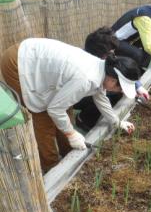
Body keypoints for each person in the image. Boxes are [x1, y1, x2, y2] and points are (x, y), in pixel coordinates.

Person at [0, 38, 140, 172]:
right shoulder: (85, 79)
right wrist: (71, 133)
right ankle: (51, 166)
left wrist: (117, 122)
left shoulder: (102, 70)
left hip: (38, 58)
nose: (118, 91)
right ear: (112, 79)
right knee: (42, 117)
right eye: (119, 88)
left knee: (64, 108)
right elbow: (54, 109)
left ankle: (68, 152)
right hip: (19, 61)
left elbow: (100, 97)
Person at [74, 27, 150, 132]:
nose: (113, 54)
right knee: (109, 93)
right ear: (100, 54)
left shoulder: (104, 56)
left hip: (84, 91)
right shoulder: (87, 70)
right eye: (110, 52)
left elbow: (121, 69)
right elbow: (100, 95)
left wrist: (138, 86)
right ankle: (84, 120)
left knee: (112, 90)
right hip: (76, 96)